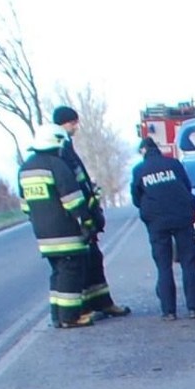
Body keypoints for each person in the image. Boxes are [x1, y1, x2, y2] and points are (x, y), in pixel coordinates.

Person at [52, 105, 131, 319]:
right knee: (82, 265)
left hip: (84, 210)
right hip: (75, 216)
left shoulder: (66, 146)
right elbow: (68, 185)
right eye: (73, 122)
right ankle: (83, 309)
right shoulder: (59, 148)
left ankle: (102, 302)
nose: (76, 127)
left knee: (94, 259)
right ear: (65, 123)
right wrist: (83, 214)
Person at [18, 124, 96, 328]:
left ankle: (57, 316)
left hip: (43, 234)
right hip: (66, 232)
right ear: (58, 143)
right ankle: (70, 317)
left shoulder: (25, 169)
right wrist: (87, 221)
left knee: (58, 273)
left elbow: (25, 206)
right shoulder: (57, 165)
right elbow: (73, 200)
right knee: (71, 272)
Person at [130, 136, 195, 320]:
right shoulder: (174, 164)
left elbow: (136, 198)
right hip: (182, 218)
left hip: (157, 222)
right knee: (188, 263)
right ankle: (194, 308)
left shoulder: (139, 170)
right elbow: (187, 186)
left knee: (164, 267)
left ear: (143, 151)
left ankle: (168, 311)